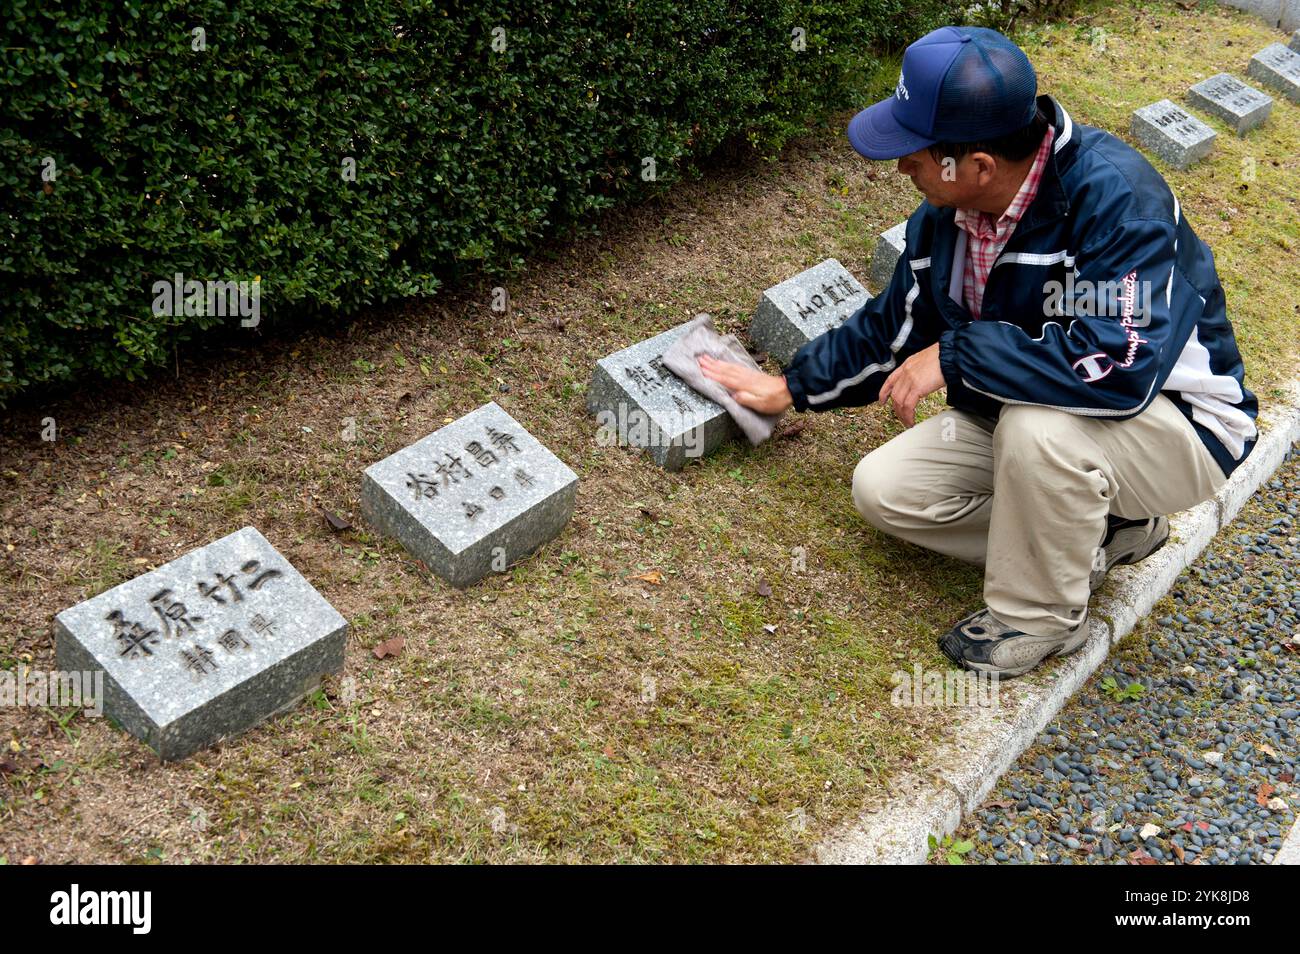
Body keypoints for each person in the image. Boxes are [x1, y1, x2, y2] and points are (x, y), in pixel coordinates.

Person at [698, 26, 1257, 678]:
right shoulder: (947, 214)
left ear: (979, 165)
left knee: (1039, 431)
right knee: (885, 491)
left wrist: (959, 354)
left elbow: (1118, 368)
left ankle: (1040, 616)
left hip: (1179, 424)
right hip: (1034, 410)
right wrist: (789, 388)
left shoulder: (1116, 199)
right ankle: (1110, 532)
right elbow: (893, 325)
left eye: (914, 151)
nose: (900, 165)